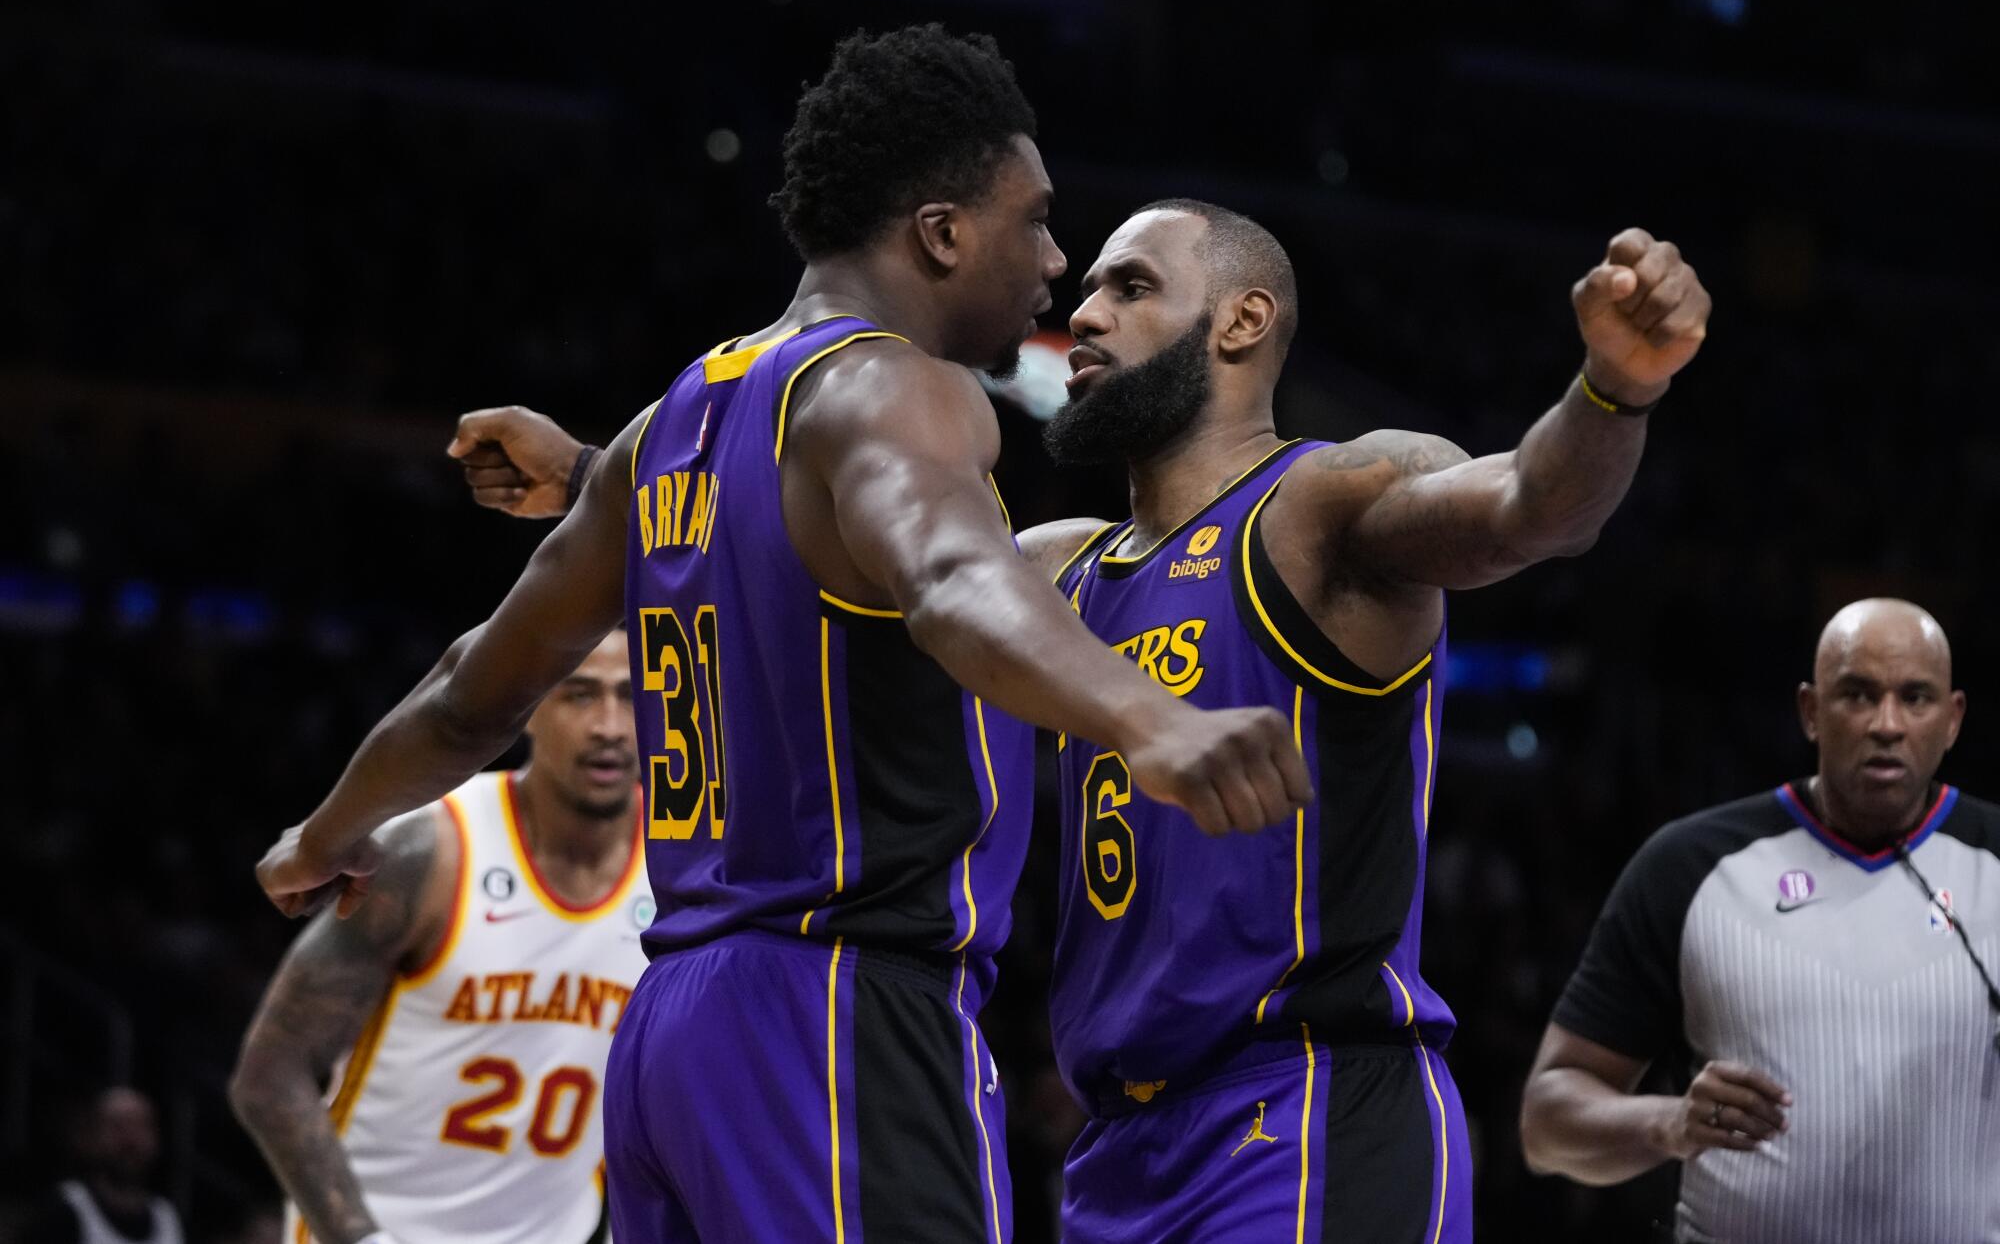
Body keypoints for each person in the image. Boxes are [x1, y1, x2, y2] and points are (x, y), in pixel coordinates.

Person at [457, 199, 1710, 1241]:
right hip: (1116, 1143)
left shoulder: (1325, 502)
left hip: (1305, 1104)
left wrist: (1611, 390)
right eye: (1088, 288)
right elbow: (828, 536)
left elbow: (1528, 509)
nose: (1085, 317)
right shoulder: (1055, 566)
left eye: (1128, 288)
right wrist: (590, 475)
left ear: (1241, 320)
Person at [255, 25, 1306, 1244]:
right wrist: (1151, 719)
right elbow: (954, 582)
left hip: (666, 1041)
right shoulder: (906, 389)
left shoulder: (671, 426)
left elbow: (464, 694)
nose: (1057, 260)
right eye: (1036, 219)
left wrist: (324, 834)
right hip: (837, 1016)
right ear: (942, 232)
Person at [1520, 598, 2000, 1244]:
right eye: (1857, 695)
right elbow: (1547, 1121)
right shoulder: (1688, 866)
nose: (1887, 723)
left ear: (1952, 719)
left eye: (1916, 698)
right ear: (1810, 711)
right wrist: (1670, 1122)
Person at [231, 631, 645, 1244]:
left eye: (632, 698)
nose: (609, 725)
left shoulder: (683, 863)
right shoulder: (433, 848)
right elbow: (269, 1076)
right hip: (378, 1229)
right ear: (530, 706)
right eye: (579, 696)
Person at [18, 1086, 186, 1244]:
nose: (131, 1141)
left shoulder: (167, 1217)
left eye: (141, 1127)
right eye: (118, 1127)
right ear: (92, 1136)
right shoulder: (64, 1210)